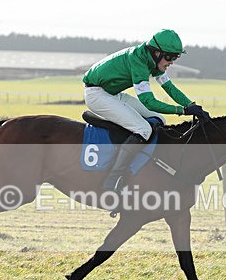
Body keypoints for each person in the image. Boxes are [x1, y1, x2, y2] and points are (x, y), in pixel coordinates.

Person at [82, 29, 211, 192]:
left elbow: (169, 88)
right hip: (97, 95)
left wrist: (193, 106)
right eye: (170, 57)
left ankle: (144, 161)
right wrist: (183, 110)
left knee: (159, 119)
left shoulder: (154, 61)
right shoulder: (138, 60)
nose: (172, 62)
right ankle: (113, 179)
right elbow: (149, 101)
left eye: (175, 57)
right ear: (157, 52)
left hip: (112, 94)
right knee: (143, 129)